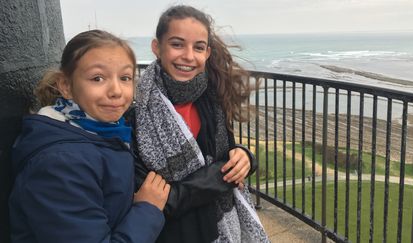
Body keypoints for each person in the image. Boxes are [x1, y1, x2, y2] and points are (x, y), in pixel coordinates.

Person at [8, 30, 170, 243]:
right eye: (98, 78)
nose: (116, 91)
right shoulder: (59, 164)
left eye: (125, 78)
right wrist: (147, 210)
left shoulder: (104, 131)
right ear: (66, 86)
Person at [132, 5, 269, 242]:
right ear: (157, 48)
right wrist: (220, 175)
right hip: (171, 234)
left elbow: (228, 154)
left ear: (207, 53)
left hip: (223, 226)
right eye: (177, 44)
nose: (188, 56)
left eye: (198, 47)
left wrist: (245, 157)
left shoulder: (212, 97)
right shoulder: (135, 110)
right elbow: (155, 200)